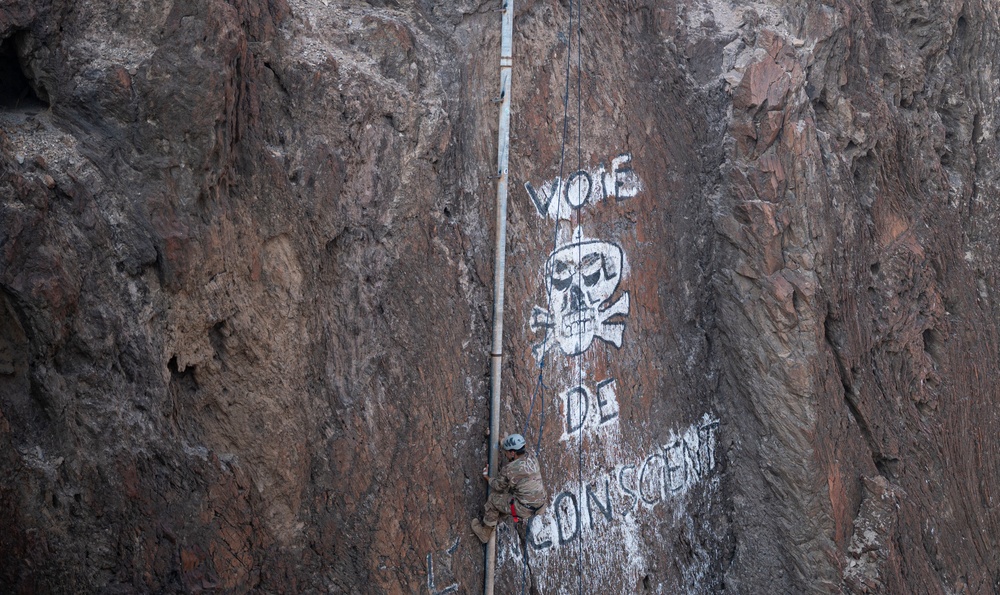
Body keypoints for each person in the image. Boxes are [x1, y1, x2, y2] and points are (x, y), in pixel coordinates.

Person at [471, 433, 547, 544]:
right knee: (514, 490)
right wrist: (504, 442)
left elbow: (499, 486)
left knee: (493, 499)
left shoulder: (509, 469)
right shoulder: (531, 456)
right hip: (541, 505)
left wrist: (487, 477)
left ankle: (485, 533)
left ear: (512, 453)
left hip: (524, 508)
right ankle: (504, 512)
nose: (505, 455)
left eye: (506, 452)